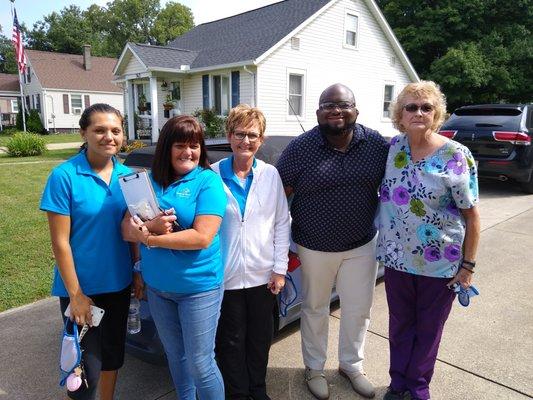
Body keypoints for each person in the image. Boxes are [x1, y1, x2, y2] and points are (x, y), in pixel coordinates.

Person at [276, 84, 389, 400]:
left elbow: (397, 186)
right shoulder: (301, 148)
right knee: (314, 308)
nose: (335, 111)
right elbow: (276, 195)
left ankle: (352, 365)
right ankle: (314, 367)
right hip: (313, 246)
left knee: (358, 308)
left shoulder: (376, 145)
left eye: (342, 105)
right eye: (327, 105)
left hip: (361, 245)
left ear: (355, 110)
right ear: (317, 113)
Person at [375, 81, 480, 400]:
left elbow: (472, 217)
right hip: (396, 260)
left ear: (437, 115)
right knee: (400, 326)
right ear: (400, 115)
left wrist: (468, 266)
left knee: (429, 330)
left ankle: (418, 386)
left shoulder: (456, 155)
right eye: (411, 107)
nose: (418, 112)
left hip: (441, 264)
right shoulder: (393, 148)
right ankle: (398, 383)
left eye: (426, 107)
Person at [121, 115, 227, 400]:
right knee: (175, 357)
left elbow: (201, 238)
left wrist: (150, 238)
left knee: (201, 364)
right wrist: (149, 229)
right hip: (158, 288)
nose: (188, 152)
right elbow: (125, 228)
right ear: (166, 147)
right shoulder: (148, 182)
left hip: (198, 289)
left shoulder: (207, 182)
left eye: (194, 146)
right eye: (180, 145)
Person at [40, 103, 140, 400]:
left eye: (115, 130)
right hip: (83, 291)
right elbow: (60, 242)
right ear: (84, 132)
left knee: (112, 359)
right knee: (83, 371)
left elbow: (132, 230)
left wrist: (136, 272)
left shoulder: (128, 177)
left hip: (119, 286)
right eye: (99, 130)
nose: (108, 136)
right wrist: (76, 295)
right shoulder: (65, 176)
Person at [212, 104, 290, 400]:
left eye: (253, 135)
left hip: (263, 276)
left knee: (259, 340)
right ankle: (238, 394)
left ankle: (258, 391)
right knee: (230, 343)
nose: (246, 141)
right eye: (240, 134)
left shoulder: (270, 175)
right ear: (229, 136)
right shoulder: (211, 176)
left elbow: (282, 222)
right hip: (225, 277)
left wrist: (279, 269)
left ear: (262, 139)